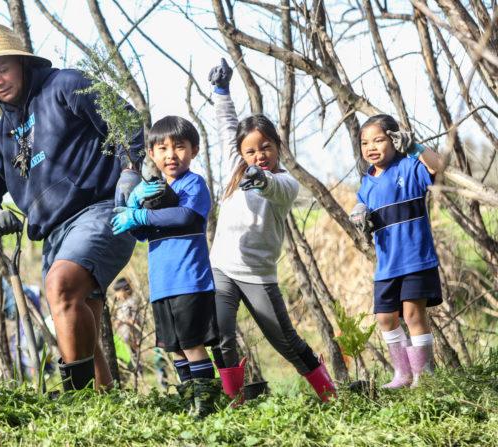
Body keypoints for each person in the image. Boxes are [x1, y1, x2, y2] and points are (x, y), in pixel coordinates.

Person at [0, 25, 145, 391]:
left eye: (5, 69)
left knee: (62, 286)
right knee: (76, 316)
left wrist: (130, 170)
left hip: (101, 210)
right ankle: (103, 402)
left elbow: (124, 119)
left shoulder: (65, 86)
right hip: (53, 235)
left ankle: (74, 401)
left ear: (23, 65)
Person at [208, 59, 336, 402]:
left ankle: (329, 394)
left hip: (258, 275)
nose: (259, 154)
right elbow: (226, 127)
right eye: (250, 150)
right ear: (240, 152)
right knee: (220, 335)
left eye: (266, 147)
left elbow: (273, 189)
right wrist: (221, 92)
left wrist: (260, 178)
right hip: (221, 267)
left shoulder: (286, 183)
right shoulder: (234, 164)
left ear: (277, 146)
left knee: (286, 342)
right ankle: (234, 402)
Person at [111, 116, 219, 418]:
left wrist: (142, 216)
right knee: (175, 348)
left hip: (190, 281)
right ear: (152, 154)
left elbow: (185, 217)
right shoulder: (152, 191)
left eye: (179, 147)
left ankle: (206, 407)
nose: (171, 155)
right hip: (162, 285)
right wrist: (134, 210)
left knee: (193, 344)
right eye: (162, 149)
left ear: (194, 150)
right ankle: (190, 402)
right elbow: (143, 233)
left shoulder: (193, 184)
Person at [350, 115, 444, 388]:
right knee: (385, 317)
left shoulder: (409, 167)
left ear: (393, 139)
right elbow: (361, 205)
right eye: (365, 142)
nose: (371, 147)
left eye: (378, 140)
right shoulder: (367, 182)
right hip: (387, 265)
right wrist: (358, 215)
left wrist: (415, 147)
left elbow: (439, 167)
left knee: (414, 316)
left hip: (416, 259)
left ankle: (423, 376)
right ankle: (403, 374)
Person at [111, 277, 169, 389]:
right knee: (130, 362)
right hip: (124, 339)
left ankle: (141, 382)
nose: (116, 295)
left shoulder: (131, 303)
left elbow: (134, 321)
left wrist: (121, 321)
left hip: (133, 338)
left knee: (136, 361)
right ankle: (135, 382)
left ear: (124, 290)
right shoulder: (121, 305)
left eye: (117, 292)